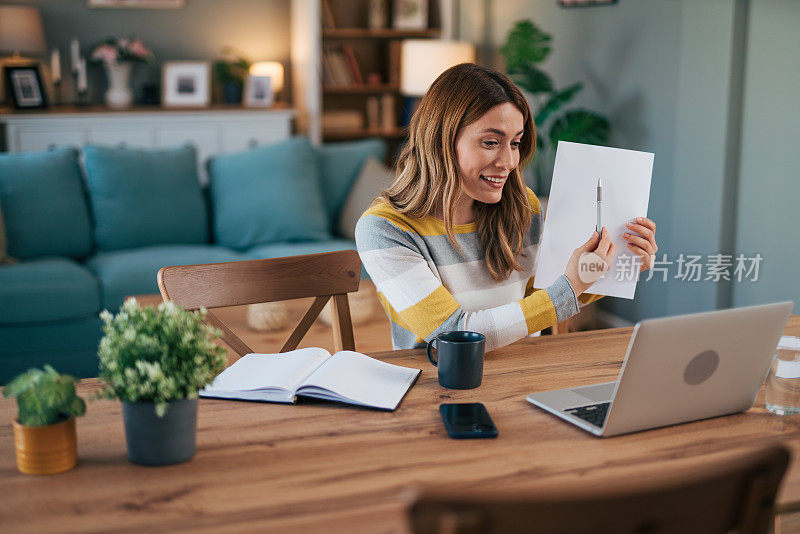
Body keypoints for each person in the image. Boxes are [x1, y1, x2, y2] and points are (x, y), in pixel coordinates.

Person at [354, 63, 658, 352]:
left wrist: (620, 263)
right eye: (490, 142)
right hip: (439, 387)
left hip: (524, 375)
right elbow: (454, 333)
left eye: (515, 143)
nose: (509, 162)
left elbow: (536, 303)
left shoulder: (522, 206)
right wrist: (570, 285)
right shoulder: (384, 229)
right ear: (441, 141)